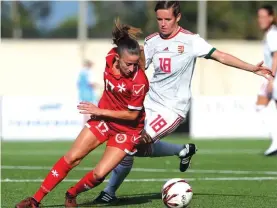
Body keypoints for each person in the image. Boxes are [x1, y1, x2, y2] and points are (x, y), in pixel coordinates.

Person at [94, 1, 274, 204]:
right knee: (133, 146)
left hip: (172, 109)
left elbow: (221, 56)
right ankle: (182, 150)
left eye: (167, 19)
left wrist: (251, 68)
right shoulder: (152, 41)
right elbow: (140, 70)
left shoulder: (191, 41)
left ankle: (109, 191)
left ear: (177, 18)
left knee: (130, 145)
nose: (163, 24)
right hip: (149, 103)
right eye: (159, 19)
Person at [15, 19, 149, 208]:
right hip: (104, 120)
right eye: (129, 64)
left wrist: (98, 110)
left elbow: (132, 116)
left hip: (127, 130)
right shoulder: (110, 57)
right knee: (72, 158)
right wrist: (138, 50)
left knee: (99, 174)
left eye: (136, 65)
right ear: (117, 58)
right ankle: (35, 200)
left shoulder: (139, 82)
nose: (132, 69)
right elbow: (125, 47)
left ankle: (72, 194)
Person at [256, 4, 277, 156]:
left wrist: (272, 78)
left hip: (274, 76)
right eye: (259, 16)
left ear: (271, 17)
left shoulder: (272, 34)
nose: (261, 20)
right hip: (272, 77)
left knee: (261, 105)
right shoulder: (270, 33)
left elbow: (276, 55)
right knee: (261, 105)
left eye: (264, 16)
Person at [77, 60, 98, 124]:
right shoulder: (89, 72)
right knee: (90, 111)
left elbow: (78, 84)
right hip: (89, 95)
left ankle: (85, 126)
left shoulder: (81, 73)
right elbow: (90, 83)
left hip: (82, 94)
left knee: (85, 112)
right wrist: (97, 85)